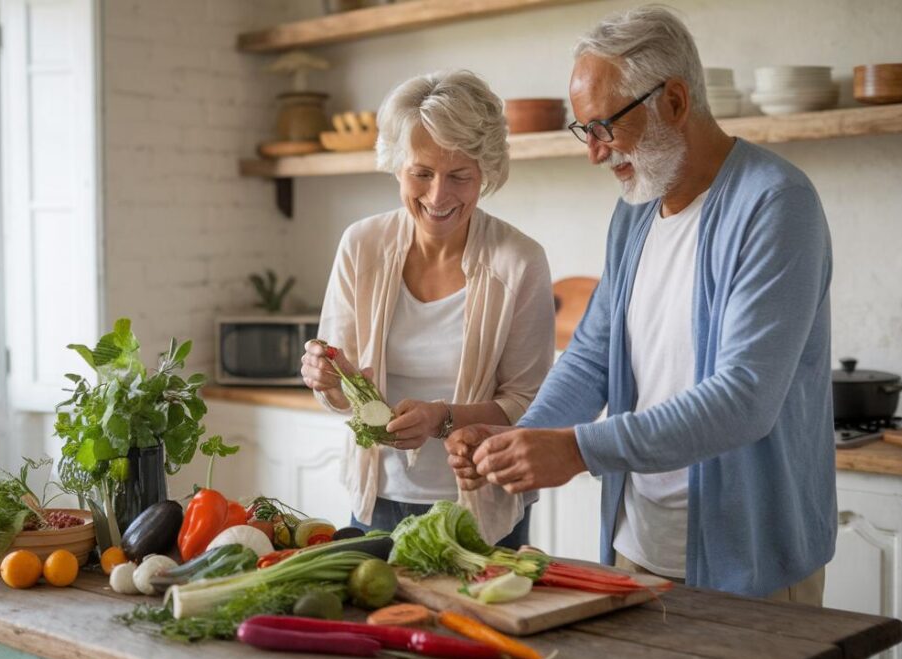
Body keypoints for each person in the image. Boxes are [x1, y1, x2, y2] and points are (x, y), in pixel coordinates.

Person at [446, 6, 835, 605]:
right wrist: (519, 443)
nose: (595, 153)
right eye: (585, 131)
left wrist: (575, 449)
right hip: (637, 548)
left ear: (674, 101)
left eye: (604, 127)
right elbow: (592, 357)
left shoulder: (776, 203)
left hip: (750, 563)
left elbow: (744, 400)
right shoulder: (635, 211)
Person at [301, 70, 555, 548]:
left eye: (460, 176)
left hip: (484, 510)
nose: (438, 196)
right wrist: (329, 380)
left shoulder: (520, 261)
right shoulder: (362, 245)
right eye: (422, 173)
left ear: (486, 174)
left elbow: (528, 405)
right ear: (397, 166)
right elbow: (338, 394)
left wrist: (443, 418)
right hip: (378, 499)